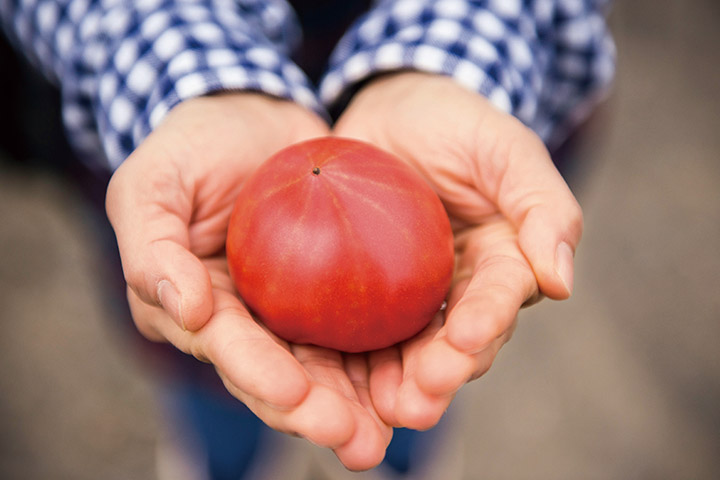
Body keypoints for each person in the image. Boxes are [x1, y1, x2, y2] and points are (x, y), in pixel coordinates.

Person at [0, 0, 615, 477]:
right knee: (205, 353)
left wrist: (450, 59)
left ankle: (394, 459)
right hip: (176, 132)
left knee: (430, 371)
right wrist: (184, 70)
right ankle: (231, 464)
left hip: (446, 92)